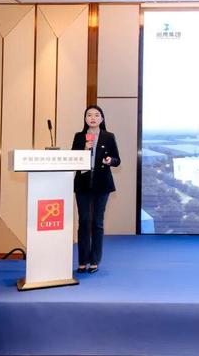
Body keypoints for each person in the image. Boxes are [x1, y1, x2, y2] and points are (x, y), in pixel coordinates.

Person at [72, 105, 120, 274]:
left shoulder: (109, 136)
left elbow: (117, 160)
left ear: (102, 118)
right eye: (89, 115)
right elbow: (72, 158)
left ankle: (94, 260)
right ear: (85, 119)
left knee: (97, 223)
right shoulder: (79, 137)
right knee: (84, 221)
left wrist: (110, 160)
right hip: (83, 184)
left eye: (96, 115)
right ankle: (82, 260)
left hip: (102, 185)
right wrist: (84, 149)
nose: (92, 118)